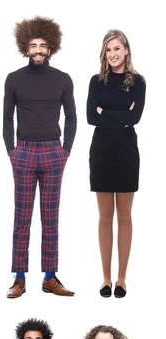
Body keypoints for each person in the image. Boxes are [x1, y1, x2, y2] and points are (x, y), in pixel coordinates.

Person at [3, 17, 77, 299]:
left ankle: (50, 276)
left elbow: (71, 116)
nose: (37, 50)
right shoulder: (14, 79)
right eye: (33, 45)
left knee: (51, 217)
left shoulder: (62, 79)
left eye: (42, 45)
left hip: (52, 152)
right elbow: (7, 118)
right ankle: (19, 277)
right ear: (26, 47)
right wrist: (11, 151)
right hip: (23, 152)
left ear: (50, 48)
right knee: (21, 217)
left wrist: (65, 150)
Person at [87, 30, 146, 298]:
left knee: (124, 216)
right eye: (108, 49)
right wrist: (118, 115)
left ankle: (122, 279)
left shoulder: (139, 83)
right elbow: (90, 116)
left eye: (117, 48)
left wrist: (105, 113)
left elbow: (134, 118)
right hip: (100, 150)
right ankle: (105, 278)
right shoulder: (96, 81)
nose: (113, 54)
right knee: (104, 217)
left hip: (126, 150)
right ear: (104, 52)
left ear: (126, 51)